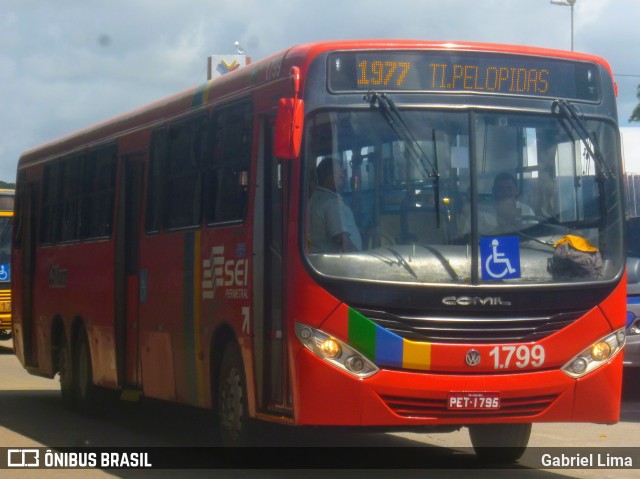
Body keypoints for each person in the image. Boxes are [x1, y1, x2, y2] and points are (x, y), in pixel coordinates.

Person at [307, 157, 362, 253]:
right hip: (336, 264)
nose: (344, 179)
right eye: (341, 176)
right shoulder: (331, 203)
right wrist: (361, 262)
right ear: (329, 178)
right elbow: (343, 242)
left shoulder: (314, 198)